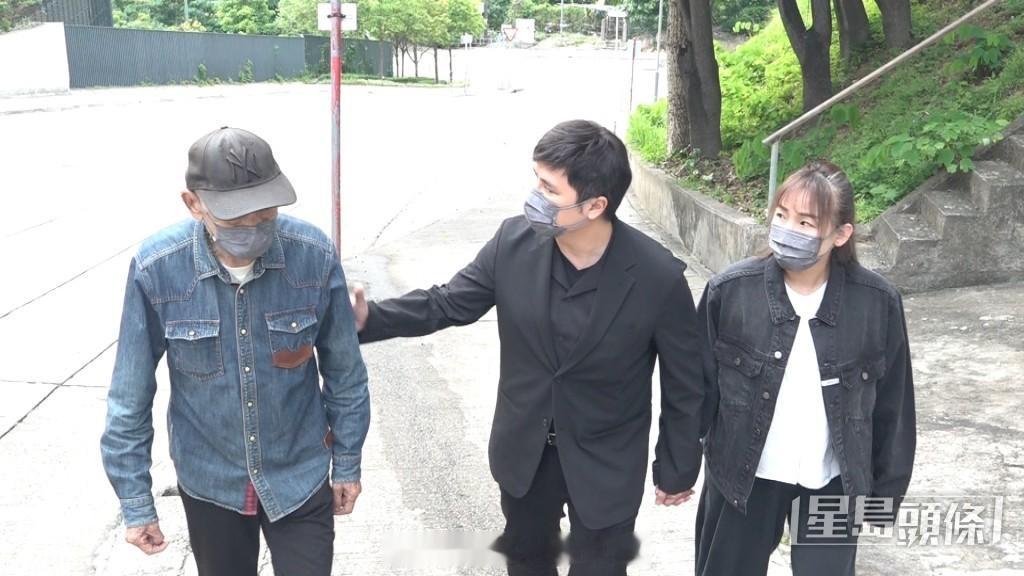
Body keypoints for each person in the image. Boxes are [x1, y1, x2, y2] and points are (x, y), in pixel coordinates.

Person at [351, 119, 704, 576]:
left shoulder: (658, 277)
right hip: (525, 454)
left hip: (607, 462)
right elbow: (448, 303)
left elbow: (684, 383)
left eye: (549, 189)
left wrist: (677, 467)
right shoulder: (513, 243)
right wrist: (371, 318)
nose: (535, 196)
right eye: (537, 180)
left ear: (595, 205)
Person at [100, 127, 370, 576]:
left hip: (299, 474)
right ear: (194, 204)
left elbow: (345, 373)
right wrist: (135, 501)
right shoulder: (157, 269)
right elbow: (129, 393)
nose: (252, 226)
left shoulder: (313, 255)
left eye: (264, 212)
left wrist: (347, 463)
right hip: (210, 481)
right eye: (235, 217)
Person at [694, 161, 917, 575]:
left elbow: (894, 404)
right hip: (743, 475)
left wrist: (885, 496)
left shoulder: (876, 303)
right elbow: (696, 389)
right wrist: (679, 465)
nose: (786, 229)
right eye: (781, 215)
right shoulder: (730, 291)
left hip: (830, 480)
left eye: (805, 222)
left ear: (841, 234)